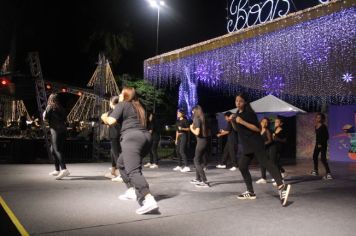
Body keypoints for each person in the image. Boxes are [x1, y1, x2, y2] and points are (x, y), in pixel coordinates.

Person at [101, 87, 158, 215]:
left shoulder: (123, 104)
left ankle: (149, 199)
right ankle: (132, 190)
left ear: (126, 95)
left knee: (133, 170)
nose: (119, 95)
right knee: (121, 163)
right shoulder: (139, 107)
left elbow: (110, 121)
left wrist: (104, 116)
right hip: (145, 138)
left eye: (121, 93)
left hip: (132, 138)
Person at [232, 93, 291, 206]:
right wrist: (233, 121)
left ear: (245, 102)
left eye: (240, 101)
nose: (238, 103)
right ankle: (251, 192)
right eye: (236, 101)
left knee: (266, 162)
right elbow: (237, 129)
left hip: (255, 142)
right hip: (247, 145)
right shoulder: (237, 114)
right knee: (242, 166)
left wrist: (242, 121)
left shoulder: (249, 113)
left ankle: (281, 186)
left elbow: (257, 128)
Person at [43, 93, 70, 180]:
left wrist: (44, 115)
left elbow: (45, 119)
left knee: (57, 150)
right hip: (63, 130)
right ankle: (57, 170)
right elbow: (65, 119)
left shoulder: (50, 106)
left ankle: (64, 169)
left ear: (50, 99)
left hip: (56, 131)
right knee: (53, 149)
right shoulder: (61, 107)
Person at [102, 96, 122, 182]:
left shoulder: (113, 112)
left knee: (116, 154)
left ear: (112, 103)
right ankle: (113, 171)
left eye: (110, 102)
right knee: (113, 152)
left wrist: (104, 117)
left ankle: (121, 174)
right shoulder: (120, 110)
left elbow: (105, 120)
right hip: (119, 134)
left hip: (115, 135)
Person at [189, 105, 209, 188]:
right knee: (198, 160)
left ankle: (205, 181)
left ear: (195, 111)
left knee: (196, 160)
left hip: (200, 142)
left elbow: (197, 132)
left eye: (193, 111)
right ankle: (198, 179)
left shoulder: (196, 119)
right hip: (204, 141)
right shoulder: (202, 118)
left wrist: (191, 128)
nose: (192, 113)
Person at [311, 113, 332, 179]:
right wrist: (318, 143)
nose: (318, 119)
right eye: (317, 117)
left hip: (322, 144)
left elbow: (327, 137)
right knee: (314, 156)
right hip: (317, 144)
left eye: (319, 117)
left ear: (322, 119)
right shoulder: (316, 126)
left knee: (323, 159)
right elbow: (317, 136)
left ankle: (328, 173)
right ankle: (316, 170)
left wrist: (321, 143)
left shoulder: (323, 126)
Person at [256, 117, 273, 184]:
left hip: (267, 149)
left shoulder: (267, 130)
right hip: (260, 150)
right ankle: (263, 178)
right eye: (263, 122)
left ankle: (277, 178)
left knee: (268, 165)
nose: (264, 123)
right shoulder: (259, 130)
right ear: (261, 122)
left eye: (266, 122)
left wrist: (262, 144)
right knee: (262, 164)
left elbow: (270, 140)